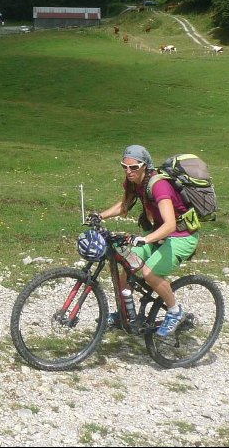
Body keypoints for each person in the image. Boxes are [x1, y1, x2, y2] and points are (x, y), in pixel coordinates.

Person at [92, 144, 199, 336]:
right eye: (124, 166)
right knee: (126, 263)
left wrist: (145, 239)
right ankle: (125, 314)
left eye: (134, 167)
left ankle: (175, 311)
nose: (128, 171)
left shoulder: (159, 186)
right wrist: (100, 216)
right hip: (158, 233)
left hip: (182, 236)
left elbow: (170, 225)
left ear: (145, 166)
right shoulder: (134, 182)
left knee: (150, 273)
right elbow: (124, 206)